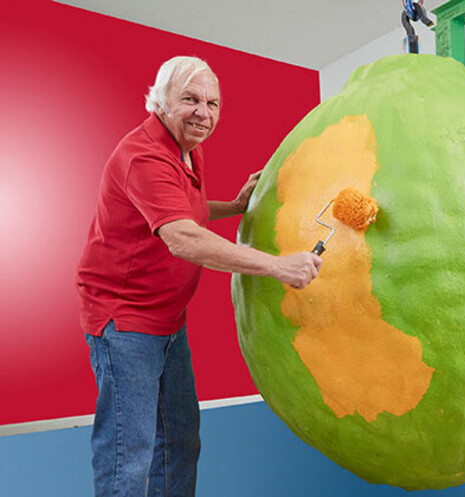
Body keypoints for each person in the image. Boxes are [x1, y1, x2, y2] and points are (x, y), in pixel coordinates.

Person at [75, 56, 321, 496]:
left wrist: (235, 205)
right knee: (128, 455)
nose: (203, 113)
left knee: (179, 443)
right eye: (190, 99)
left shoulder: (185, 148)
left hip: (169, 322)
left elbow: (182, 209)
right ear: (161, 100)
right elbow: (183, 237)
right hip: (125, 323)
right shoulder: (143, 156)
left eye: (212, 103)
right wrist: (278, 265)